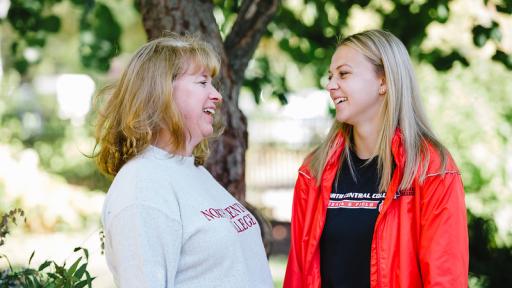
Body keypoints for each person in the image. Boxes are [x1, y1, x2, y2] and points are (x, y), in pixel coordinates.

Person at [284, 30, 468, 288]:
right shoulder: (314, 170)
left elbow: (445, 278)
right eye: (330, 76)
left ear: (383, 81)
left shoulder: (432, 169)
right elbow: (299, 274)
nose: (330, 85)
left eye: (343, 74)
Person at [95, 34, 273, 288]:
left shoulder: (191, 171)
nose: (217, 96)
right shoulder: (142, 186)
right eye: (202, 82)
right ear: (161, 91)